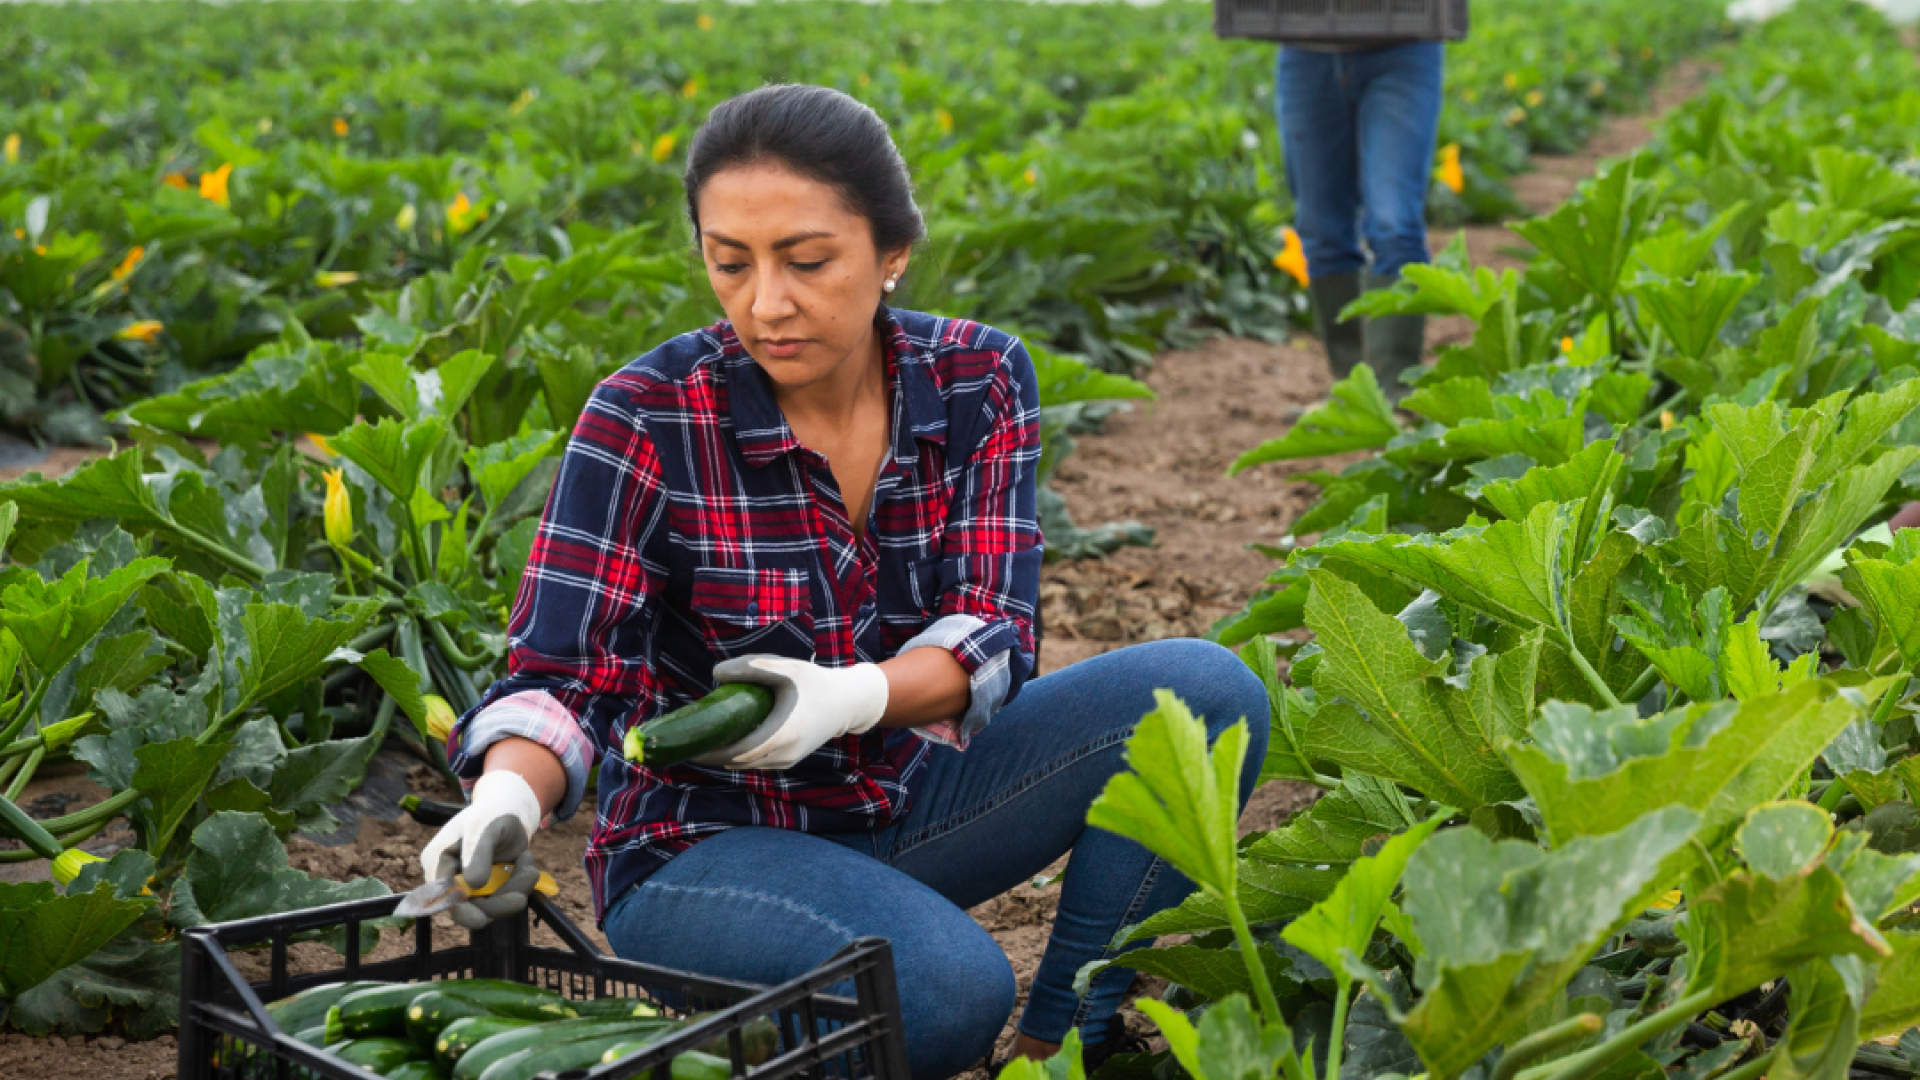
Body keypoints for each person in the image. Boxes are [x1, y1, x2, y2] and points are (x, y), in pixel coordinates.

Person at [417, 84, 1271, 1080]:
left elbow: (995, 631)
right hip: (706, 854)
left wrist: (851, 695)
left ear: (892, 252)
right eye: (729, 263)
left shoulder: (978, 379)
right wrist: (506, 801)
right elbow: (564, 676)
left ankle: (1061, 1045)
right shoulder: (645, 417)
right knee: (944, 995)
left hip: (904, 799)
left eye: (807, 261)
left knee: (1206, 696)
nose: (765, 303)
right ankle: (756, 1020)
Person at [1276, 38, 1446, 395]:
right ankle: (1356, 391)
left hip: (1403, 48)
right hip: (1307, 51)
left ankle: (1396, 392)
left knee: (1393, 224)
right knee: (1321, 230)